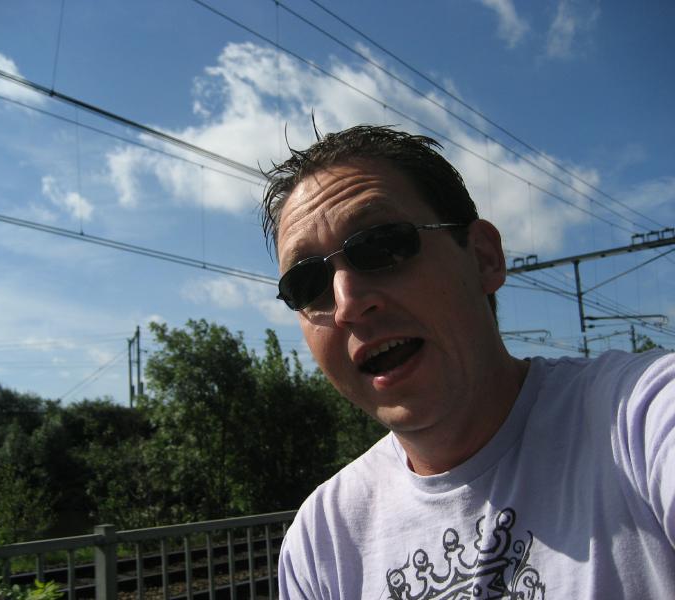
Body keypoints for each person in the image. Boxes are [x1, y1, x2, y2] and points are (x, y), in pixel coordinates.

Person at [260, 125, 675, 599]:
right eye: (307, 284)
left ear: (483, 258)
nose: (347, 303)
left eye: (381, 245)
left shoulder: (640, 421)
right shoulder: (322, 542)